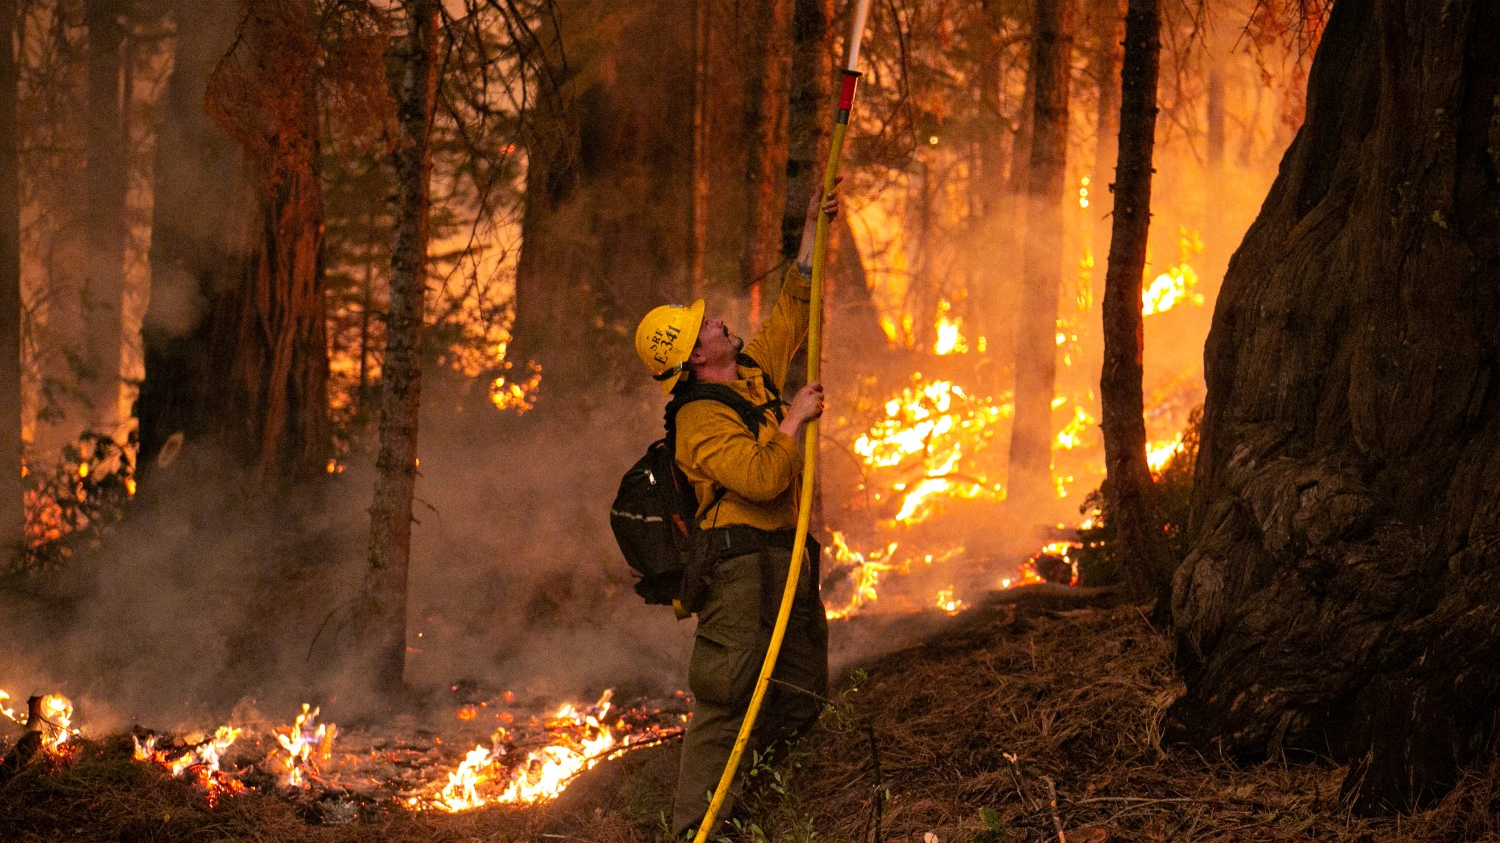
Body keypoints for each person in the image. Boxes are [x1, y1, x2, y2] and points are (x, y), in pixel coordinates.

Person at [633, 182, 841, 839]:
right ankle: (699, 827)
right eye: (708, 327)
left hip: (787, 557)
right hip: (739, 569)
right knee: (727, 698)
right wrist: (795, 420)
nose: (719, 320)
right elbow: (756, 477)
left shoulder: (750, 372)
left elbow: (792, 313)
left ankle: (746, 794)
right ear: (696, 355)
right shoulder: (695, 419)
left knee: (803, 689)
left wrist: (810, 235)